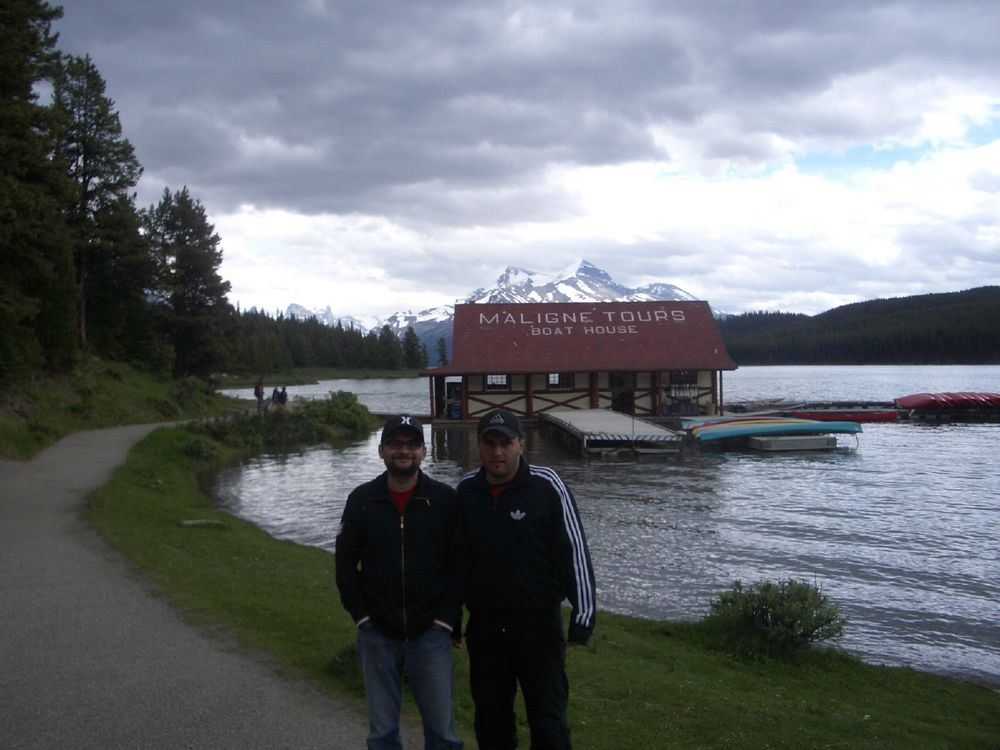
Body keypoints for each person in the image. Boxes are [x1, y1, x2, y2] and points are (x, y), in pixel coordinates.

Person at [457, 409, 596, 750]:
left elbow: (574, 551)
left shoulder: (547, 486)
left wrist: (583, 615)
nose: (497, 452)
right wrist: (449, 616)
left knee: (548, 724)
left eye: (506, 442)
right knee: (491, 723)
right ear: (480, 446)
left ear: (521, 444)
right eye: (490, 443)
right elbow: (454, 561)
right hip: (486, 630)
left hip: (539, 630)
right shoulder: (466, 491)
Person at [335, 415, 463, 750]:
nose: (403, 451)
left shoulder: (445, 500)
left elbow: (459, 566)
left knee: (443, 732)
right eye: (395, 444)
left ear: (424, 451)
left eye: (411, 445)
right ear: (381, 451)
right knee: (382, 734)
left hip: (431, 634)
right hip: (377, 633)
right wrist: (361, 616)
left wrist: (446, 620)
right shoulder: (362, 500)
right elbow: (345, 564)